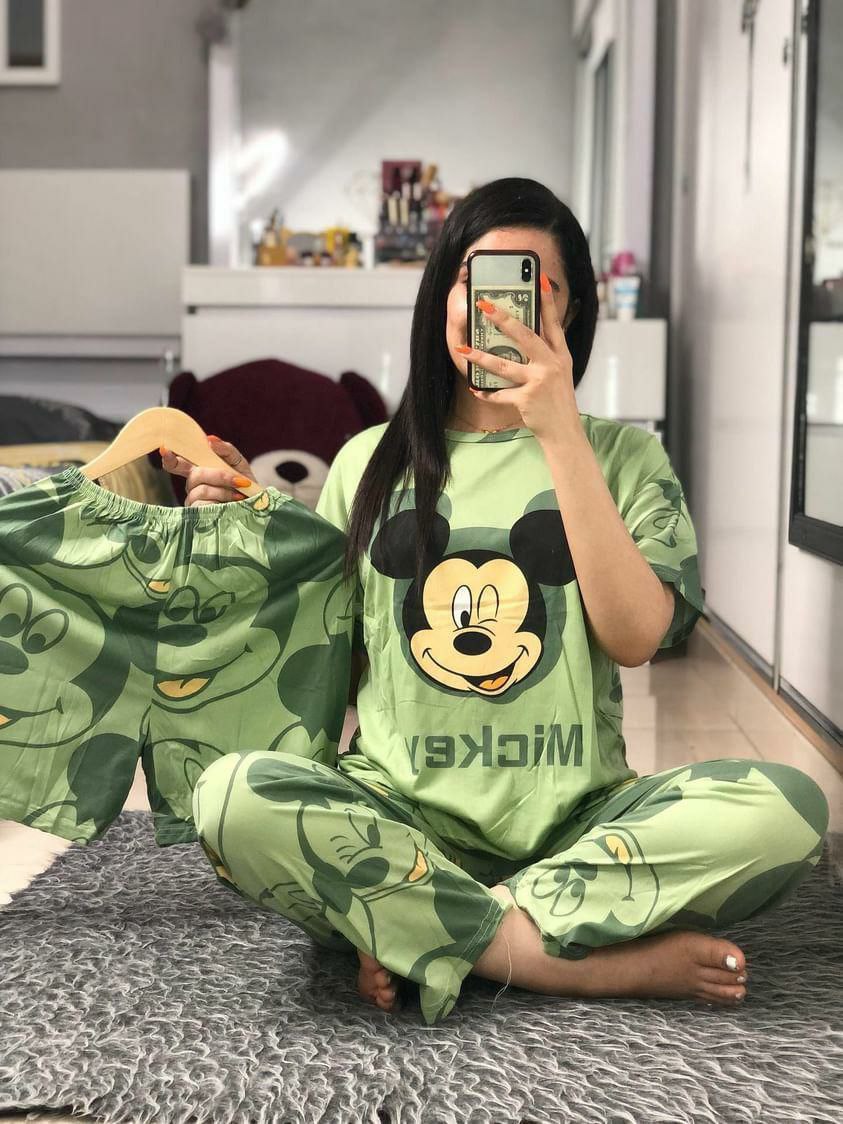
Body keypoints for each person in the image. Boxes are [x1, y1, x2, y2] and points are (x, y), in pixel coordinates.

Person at [161, 178, 829, 1026]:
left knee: (787, 810)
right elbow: (327, 670)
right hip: (397, 815)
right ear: (441, 296)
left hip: (580, 823)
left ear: (569, 309)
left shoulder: (625, 459)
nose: (495, 308)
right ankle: (556, 958)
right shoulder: (368, 461)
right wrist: (248, 531)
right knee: (230, 796)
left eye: (529, 286)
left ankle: (417, 924)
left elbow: (635, 638)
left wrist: (558, 428)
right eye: (472, 281)